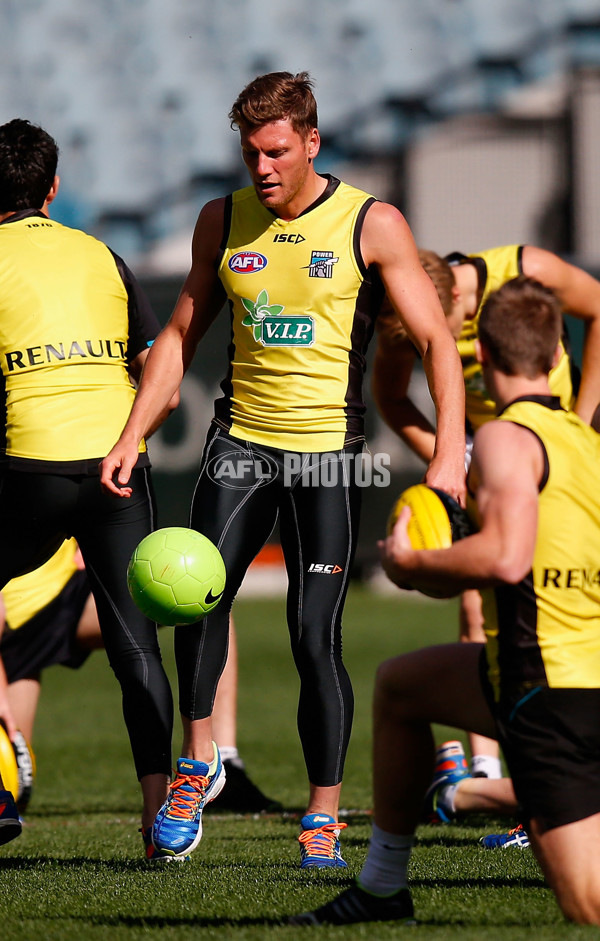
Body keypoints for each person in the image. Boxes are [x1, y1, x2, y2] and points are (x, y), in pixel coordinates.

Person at [100, 70, 466, 867]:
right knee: (200, 600)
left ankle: (323, 816)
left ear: (310, 143)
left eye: (274, 152)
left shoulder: (373, 223)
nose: (261, 169)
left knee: (312, 634)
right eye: (249, 153)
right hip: (239, 442)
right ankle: (198, 768)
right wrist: (133, 432)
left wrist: (448, 450)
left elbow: (437, 341)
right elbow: (178, 338)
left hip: (328, 455)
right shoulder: (221, 219)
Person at [290, 275, 600, 926]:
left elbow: (505, 557)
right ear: (558, 358)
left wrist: (411, 562)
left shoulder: (502, 438)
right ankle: (381, 887)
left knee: (585, 904)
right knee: (402, 686)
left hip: (548, 684)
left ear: (481, 360)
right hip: (563, 666)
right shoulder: (585, 443)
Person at [0, 118, 179, 859]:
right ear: (55, 188)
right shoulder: (101, 252)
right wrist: (130, 438)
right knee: (135, 647)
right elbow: (157, 362)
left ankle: (1, 777)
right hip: (116, 464)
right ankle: (159, 823)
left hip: (27, 467)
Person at [373, 244, 600, 780]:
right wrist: (453, 459)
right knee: (479, 605)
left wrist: (584, 423)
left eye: (438, 328)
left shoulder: (526, 273)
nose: (433, 342)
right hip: (495, 467)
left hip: (563, 457)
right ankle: (486, 766)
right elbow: (392, 399)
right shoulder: (405, 314)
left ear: (454, 296)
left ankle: (486, 783)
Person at [0, 541, 280, 816]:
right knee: (16, 791)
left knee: (198, 596)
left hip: (64, 589)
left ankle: (224, 761)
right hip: (10, 622)